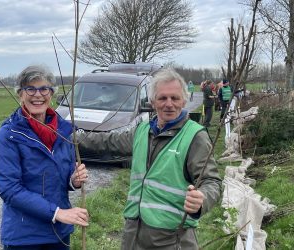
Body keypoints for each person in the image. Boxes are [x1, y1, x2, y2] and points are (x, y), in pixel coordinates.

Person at [78, 69, 222, 250]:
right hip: (134, 231)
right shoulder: (143, 130)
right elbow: (108, 141)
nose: (169, 104)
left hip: (171, 238)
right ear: (153, 102)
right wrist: (70, 137)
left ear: (184, 101)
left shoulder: (195, 136)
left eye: (175, 98)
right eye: (162, 98)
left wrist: (203, 199)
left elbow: (212, 181)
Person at [0, 65, 89, 250]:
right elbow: (10, 190)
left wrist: (73, 180)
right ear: (20, 94)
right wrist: (57, 213)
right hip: (25, 237)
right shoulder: (7, 136)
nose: (38, 94)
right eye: (30, 88)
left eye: (44, 88)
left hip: (58, 234)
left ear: (51, 93)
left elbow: (63, 171)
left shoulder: (63, 131)